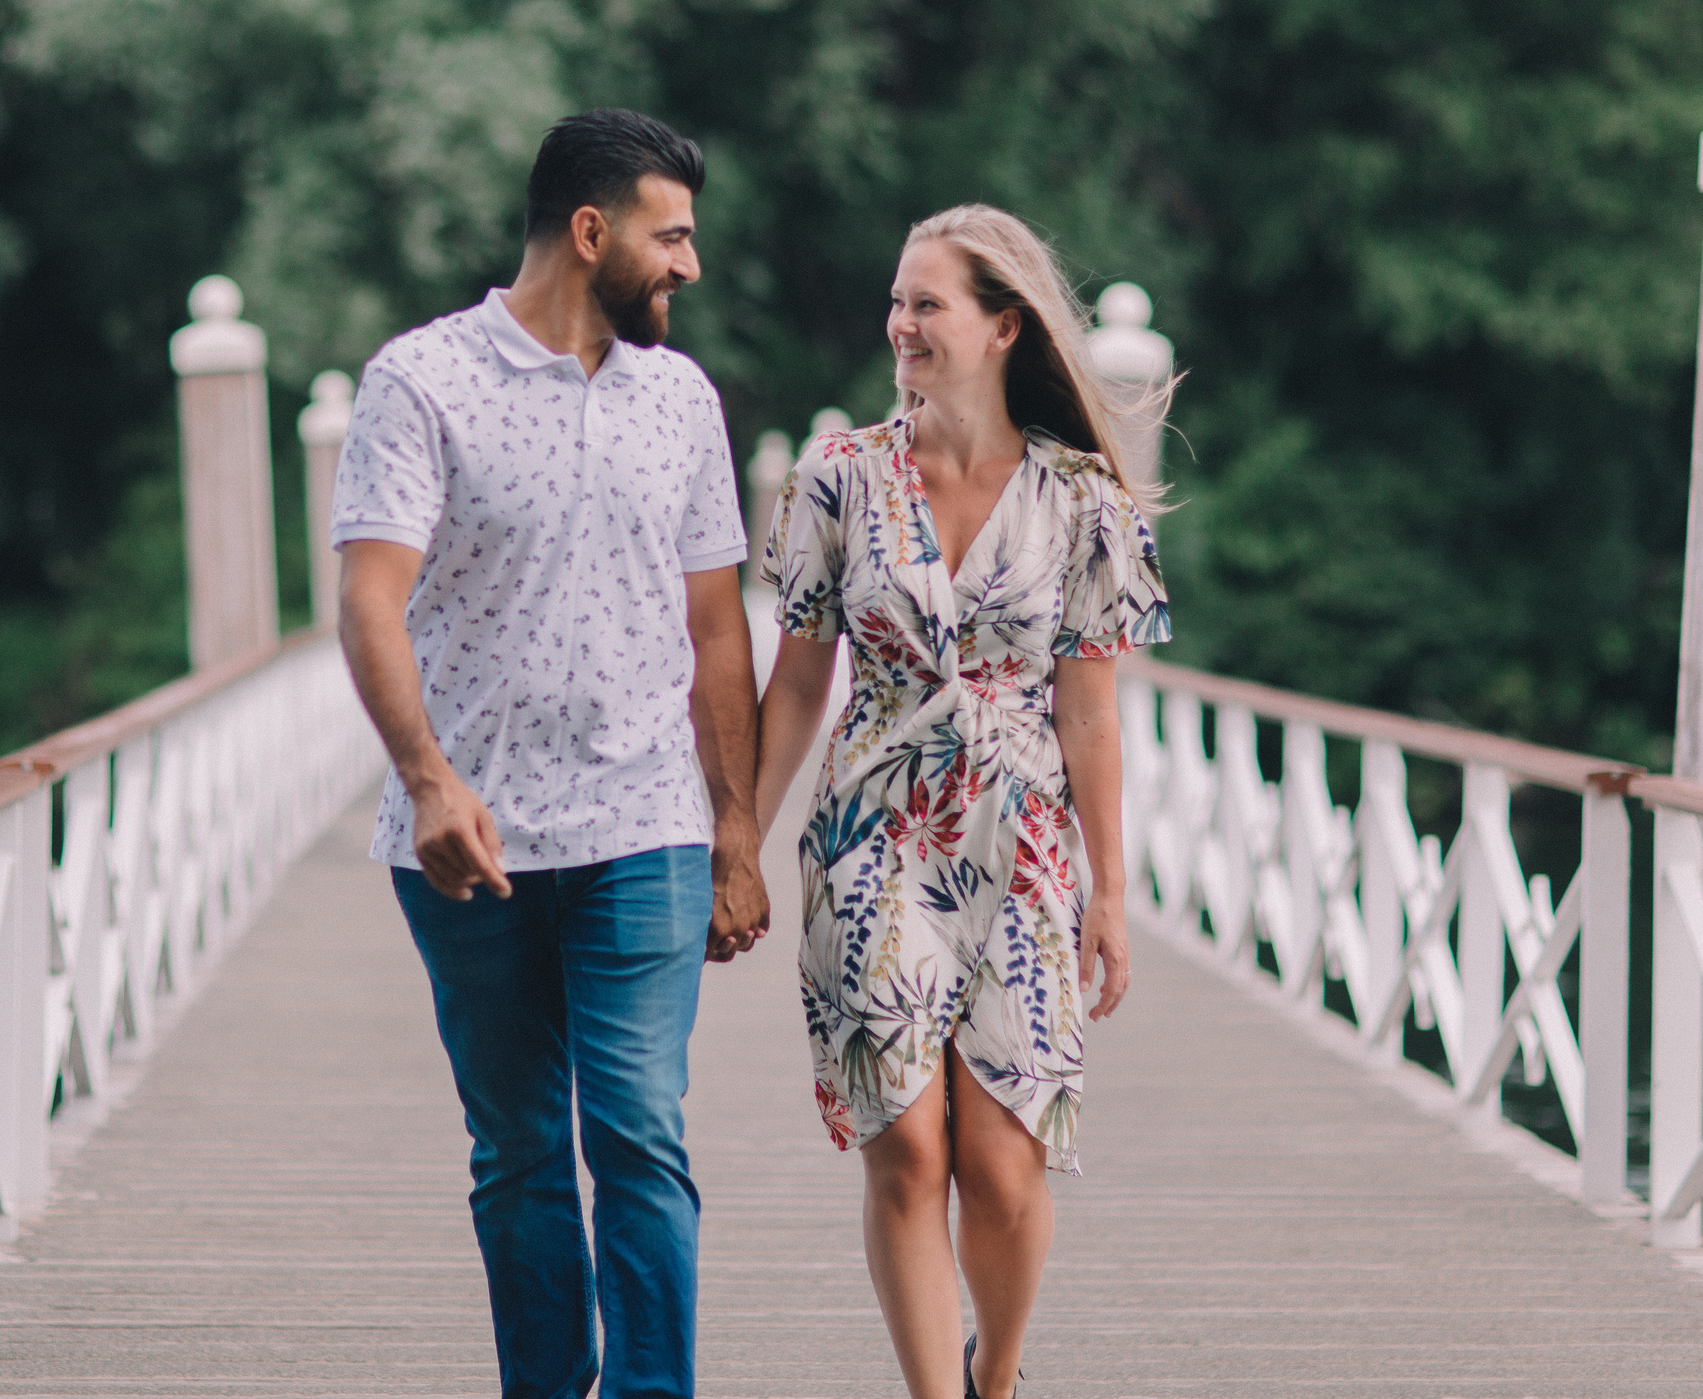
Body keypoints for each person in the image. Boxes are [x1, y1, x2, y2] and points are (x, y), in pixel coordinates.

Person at [329, 109, 771, 1399]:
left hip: (646, 828)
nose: (688, 263)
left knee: (637, 1136)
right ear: (592, 233)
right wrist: (425, 782)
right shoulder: (420, 381)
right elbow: (369, 599)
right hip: (474, 842)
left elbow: (714, 625)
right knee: (518, 1150)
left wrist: (734, 829)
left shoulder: (680, 397)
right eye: (670, 235)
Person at [751, 205, 1170, 1399]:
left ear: (1003, 326)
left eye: (925, 304)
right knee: (908, 1146)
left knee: (1003, 1164)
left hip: (1025, 849)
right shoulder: (837, 479)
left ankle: (998, 1376)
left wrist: (1110, 889)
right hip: (868, 842)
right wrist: (735, 839)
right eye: (895, 302)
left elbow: (1090, 711)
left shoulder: (1083, 499)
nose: (900, 325)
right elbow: (793, 691)